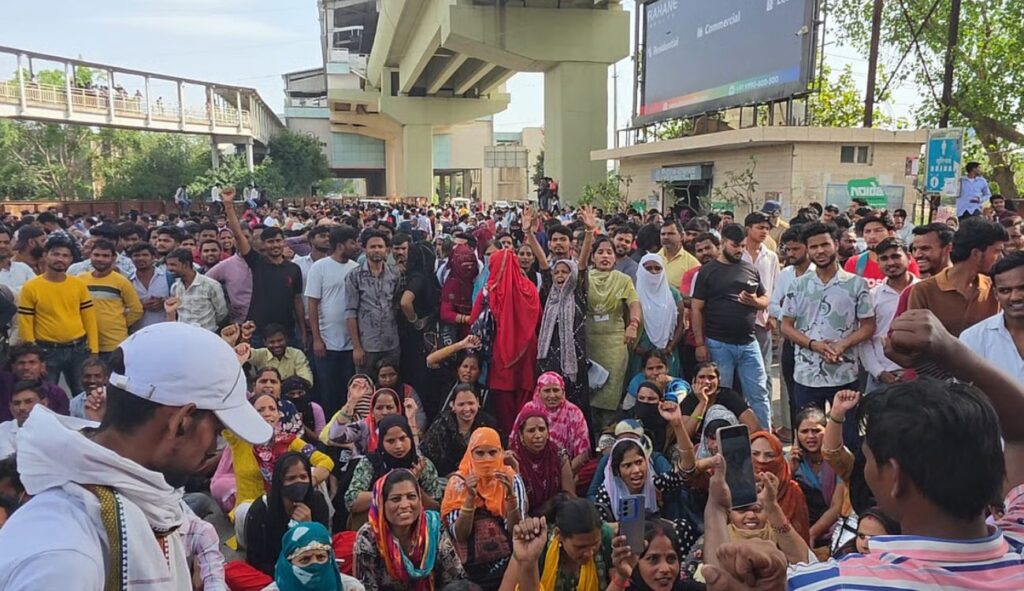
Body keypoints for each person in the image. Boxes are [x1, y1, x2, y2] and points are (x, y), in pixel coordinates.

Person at [0, 322, 272, 590]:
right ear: (181, 421)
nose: (213, 446)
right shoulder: (63, 557)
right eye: (217, 431)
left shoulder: (136, 497)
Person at [782, 308, 1024, 589]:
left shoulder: (832, 584)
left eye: (869, 458)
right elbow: (1019, 432)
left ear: (895, 477)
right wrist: (952, 351)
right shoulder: (1017, 544)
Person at [781, 223, 874, 450]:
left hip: (844, 373)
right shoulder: (798, 285)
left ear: (836, 244)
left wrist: (842, 345)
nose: (820, 251)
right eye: (814, 247)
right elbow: (786, 326)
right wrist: (814, 345)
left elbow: (868, 326)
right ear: (807, 249)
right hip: (806, 374)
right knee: (807, 437)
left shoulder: (856, 284)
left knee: (848, 439)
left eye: (825, 244)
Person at [691, 224, 772, 430]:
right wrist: (700, 343)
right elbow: (696, 309)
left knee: (759, 393)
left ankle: (765, 438)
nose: (739, 250)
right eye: (735, 245)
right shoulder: (707, 272)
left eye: (743, 246)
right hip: (719, 343)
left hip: (749, 342)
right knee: (721, 394)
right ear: (723, 243)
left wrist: (755, 302)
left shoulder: (749, 269)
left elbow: (765, 299)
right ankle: (719, 437)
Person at [595, 403, 699, 555]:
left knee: (682, 527)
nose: (636, 470)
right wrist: (635, 526)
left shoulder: (654, 485)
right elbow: (599, 530)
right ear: (617, 471)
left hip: (656, 546)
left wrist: (677, 424)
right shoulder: (606, 494)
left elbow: (687, 468)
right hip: (624, 551)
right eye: (627, 465)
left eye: (639, 462)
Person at [224, 392, 333, 535]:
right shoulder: (239, 439)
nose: (267, 413)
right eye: (260, 410)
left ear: (278, 415)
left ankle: (324, 533)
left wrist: (308, 482)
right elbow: (223, 414)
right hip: (251, 509)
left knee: (311, 475)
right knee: (244, 511)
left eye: (272, 409)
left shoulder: (289, 441)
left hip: (285, 505)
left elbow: (325, 461)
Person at [440, 427, 526, 586]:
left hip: (507, 563)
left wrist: (510, 497)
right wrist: (470, 498)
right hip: (470, 569)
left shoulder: (510, 479)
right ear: (470, 453)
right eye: (480, 453)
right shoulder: (458, 482)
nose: (487, 459)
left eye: (492, 453)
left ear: (501, 452)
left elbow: (516, 530)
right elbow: (459, 534)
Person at [355, 468, 467, 591]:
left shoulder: (433, 527)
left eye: (411, 497)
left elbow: (456, 579)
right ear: (381, 503)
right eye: (396, 499)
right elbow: (366, 587)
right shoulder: (369, 536)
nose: (405, 505)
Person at [470, 249, 541, 433]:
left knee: (505, 407)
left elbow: (474, 319)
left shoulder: (489, 291)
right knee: (525, 402)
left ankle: (510, 440)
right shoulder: (530, 288)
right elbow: (538, 318)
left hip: (501, 355)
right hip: (527, 352)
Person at [700, 454, 813, 570]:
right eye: (742, 510)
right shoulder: (715, 538)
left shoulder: (780, 535)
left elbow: (806, 563)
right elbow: (715, 573)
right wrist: (716, 507)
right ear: (729, 512)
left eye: (757, 510)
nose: (751, 515)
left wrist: (772, 505)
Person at [17, 235, 99, 394]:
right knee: (45, 394)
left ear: (71, 260)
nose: (60, 259)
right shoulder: (31, 287)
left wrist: (94, 350)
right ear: (45, 255)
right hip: (46, 351)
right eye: (55, 254)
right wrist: (34, 356)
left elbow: (89, 319)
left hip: (78, 349)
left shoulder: (79, 285)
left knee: (83, 394)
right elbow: (26, 322)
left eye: (65, 255)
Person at [224, 187, 305, 347]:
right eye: (270, 242)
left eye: (278, 241)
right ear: (263, 245)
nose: (275, 245)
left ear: (284, 242)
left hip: (287, 332)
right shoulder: (257, 262)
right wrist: (228, 204)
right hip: (258, 332)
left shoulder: (294, 269)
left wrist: (302, 331)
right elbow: (238, 235)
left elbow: (297, 301)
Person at [235, 453, 331, 582]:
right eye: (291, 478)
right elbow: (256, 561)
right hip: (274, 575)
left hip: (313, 571)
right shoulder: (261, 510)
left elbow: (324, 550)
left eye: (303, 477)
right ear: (279, 482)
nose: (298, 482)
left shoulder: (317, 502)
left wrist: (309, 528)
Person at [903, 216, 1005, 336]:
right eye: (997, 251)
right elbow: (916, 339)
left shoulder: (994, 289)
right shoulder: (923, 291)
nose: (1001, 257)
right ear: (976, 254)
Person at [344, 415, 443, 530]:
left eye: (402, 438)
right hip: (376, 528)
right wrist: (387, 491)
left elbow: (436, 508)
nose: (398, 446)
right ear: (381, 442)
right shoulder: (371, 463)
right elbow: (351, 501)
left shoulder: (421, 464)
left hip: (417, 528)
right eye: (391, 441)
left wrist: (414, 485)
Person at [504, 498, 622, 591]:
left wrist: (621, 576)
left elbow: (618, 579)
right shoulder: (537, 545)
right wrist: (528, 563)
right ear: (559, 534)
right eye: (580, 547)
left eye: (595, 544)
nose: (589, 553)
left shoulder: (607, 538)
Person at [586, 236, 640, 431]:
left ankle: (608, 433)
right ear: (592, 257)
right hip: (589, 342)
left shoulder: (623, 279)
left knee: (611, 391)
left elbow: (634, 303)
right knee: (589, 390)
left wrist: (633, 324)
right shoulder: (584, 278)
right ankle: (590, 436)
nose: (605, 256)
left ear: (615, 258)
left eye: (609, 252)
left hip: (615, 344)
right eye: (600, 252)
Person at [306, 225, 360, 416]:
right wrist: (317, 339)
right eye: (352, 242)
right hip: (327, 344)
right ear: (340, 245)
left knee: (349, 393)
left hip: (351, 345)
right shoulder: (319, 268)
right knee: (328, 394)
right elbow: (312, 304)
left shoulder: (356, 269)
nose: (356, 246)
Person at [859, 237, 917, 392]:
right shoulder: (871, 297)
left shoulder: (923, 291)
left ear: (909, 257)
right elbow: (864, 339)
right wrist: (879, 372)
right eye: (884, 259)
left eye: (895, 256)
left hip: (920, 375)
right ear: (878, 263)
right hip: (882, 379)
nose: (890, 263)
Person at [961, 251, 1024, 383]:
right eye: (1005, 290)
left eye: (1022, 288)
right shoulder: (973, 339)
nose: (1015, 297)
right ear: (995, 294)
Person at [789, 407, 845, 553]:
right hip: (801, 521)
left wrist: (812, 533)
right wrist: (790, 471)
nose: (810, 436)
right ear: (796, 434)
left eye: (816, 431)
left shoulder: (839, 460)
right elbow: (779, 498)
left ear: (827, 431)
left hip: (832, 523)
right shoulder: (791, 460)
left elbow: (837, 507)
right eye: (804, 431)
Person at [346, 229, 401, 375]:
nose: (377, 250)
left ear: (387, 250)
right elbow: (350, 313)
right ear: (365, 249)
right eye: (372, 247)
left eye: (380, 246)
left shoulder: (395, 274)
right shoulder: (354, 276)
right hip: (367, 345)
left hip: (391, 343)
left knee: (391, 382)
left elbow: (396, 304)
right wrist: (357, 347)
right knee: (365, 383)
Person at [77, 239, 143, 360]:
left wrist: (119, 323)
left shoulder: (121, 281)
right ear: (90, 256)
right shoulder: (80, 280)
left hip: (113, 343)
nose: (100, 259)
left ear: (114, 258)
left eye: (105, 256)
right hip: (86, 343)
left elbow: (136, 309)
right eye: (96, 255)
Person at [419, 383, 501, 478]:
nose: (467, 409)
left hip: (483, 476)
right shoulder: (441, 425)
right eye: (461, 404)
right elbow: (427, 456)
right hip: (446, 479)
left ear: (478, 402)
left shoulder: (488, 423)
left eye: (471, 403)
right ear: (452, 405)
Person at [509, 404, 576, 517]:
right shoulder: (513, 460)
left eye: (542, 429)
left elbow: (570, 496)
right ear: (521, 435)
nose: (538, 435)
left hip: (557, 515)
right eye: (531, 431)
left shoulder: (559, 456)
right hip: (524, 519)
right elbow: (516, 506)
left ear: (548, 432)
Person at [517, 373, 590, 474]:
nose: (552, 395)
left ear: (563, 392)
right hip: (531, 469)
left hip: (567, 468)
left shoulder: (574, 412)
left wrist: (564, 473)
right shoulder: (529, 409)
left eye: (556, 390)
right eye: (547, 391)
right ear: (539, 392)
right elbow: (515, 443)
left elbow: (583, 453)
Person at [398, 241, 440, 412]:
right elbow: (405, 302)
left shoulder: (414, 275)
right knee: (419, 375)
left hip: (415, 335)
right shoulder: (419, 278)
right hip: (417, 334)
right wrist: (415, 320)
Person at [742, 212, 780, 399]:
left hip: (762, 319)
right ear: (748, 229)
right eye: (760, 227)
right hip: (739, 318)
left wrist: (773, 315)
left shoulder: (771, 257)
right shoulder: (738, 253)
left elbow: (776, 287)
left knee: (764, 369)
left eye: (767, 228)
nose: (764, 231)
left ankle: (766, 411)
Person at [749, 430, 811, 544]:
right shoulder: (734, 490)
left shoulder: (792, 491)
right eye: (755, 454)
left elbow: (801, 540)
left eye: (769, 455)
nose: (761, 460)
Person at [631, 254, 684, 382]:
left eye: (657, 268)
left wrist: (669, 348)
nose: (653, 271)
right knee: (639, 386)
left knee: (667, 386)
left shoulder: (672, 294)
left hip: (666, 352)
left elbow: (680, 324)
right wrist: (636, 348)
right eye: (648, 268)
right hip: (640, 352)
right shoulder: (632, 292)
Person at [270, 521, 363, 591]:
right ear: (288, 564)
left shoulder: (350, 587)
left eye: (320, 557)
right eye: (305, 559)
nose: (315, 564)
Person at [679, 361, 760, 440]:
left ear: (718, 381)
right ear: (694, 380)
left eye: (711, 377)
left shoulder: (729, 396)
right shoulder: (689, 401)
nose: (707, 381)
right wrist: (702, 402)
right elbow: (685, 436)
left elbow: (754, 428)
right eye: (702, 377)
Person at [164, 248, 229, 332]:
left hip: (207, 335)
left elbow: (222, 314)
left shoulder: (211, 285)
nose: (169, 268)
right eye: (168, 265)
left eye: (173, 265)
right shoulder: (175, 287)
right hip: (184, 335)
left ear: (186, 264)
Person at [0, 343, 70, 420]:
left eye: (32, 362)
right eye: (21, 363)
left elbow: (64, 421)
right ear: (13, 367)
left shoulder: (56, 393)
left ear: (42, 366)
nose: (26, 367)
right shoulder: (3, 387)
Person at [439, 243, 478, 344]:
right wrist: (466, 319)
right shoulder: (452, 284)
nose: (469, 268)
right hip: (460, 334)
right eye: (465, 265)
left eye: (472, 264)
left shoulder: (480, 278)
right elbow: (445, 313)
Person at [250, 323, 315, 384]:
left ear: (286, 339)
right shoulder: (260, 354)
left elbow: (307, 380)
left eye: (280, 340)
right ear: (265, 342)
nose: (276, 345)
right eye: (272, 342)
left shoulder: (297, 354)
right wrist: (246, 335)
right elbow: (245, 353)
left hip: (291, 390)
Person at [0, 381, 49, 458]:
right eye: (16, 403)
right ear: (10, 407)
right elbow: (9, 462)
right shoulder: (3, 430)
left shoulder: (60, 429)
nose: (22, 407)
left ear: (44, 403)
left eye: (28, 401)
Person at [128, 242, 171, 331]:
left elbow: (180, 301)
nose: (141, 258)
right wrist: (139, 306)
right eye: (136, 255)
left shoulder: (168, 278)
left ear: (153, 257)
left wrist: (164, 303)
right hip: (137, 331)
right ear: (131, 259)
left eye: (145, 255)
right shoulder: (127, 281)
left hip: (165, 330)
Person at [658, 221, 699, 290]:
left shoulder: (692, 263)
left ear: (682, 236)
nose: (666, 237)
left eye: (670, 234)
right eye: (663, 234)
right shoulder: (653, 260)